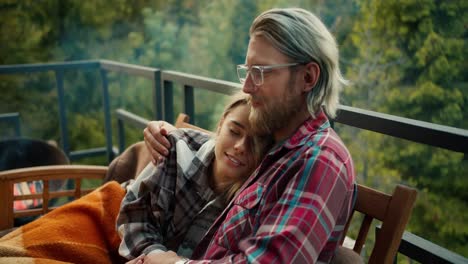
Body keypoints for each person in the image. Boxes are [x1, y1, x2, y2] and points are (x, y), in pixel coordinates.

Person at [143, 7, 356, 264]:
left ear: (307, 77)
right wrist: (169, 133)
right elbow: (219, 145)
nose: (246, 86)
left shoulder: (320, 160)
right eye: (248, 70)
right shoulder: (274, 143)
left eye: (261, 72)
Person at [117, 92, 272, 264]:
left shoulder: (254, 198)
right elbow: (135, 215)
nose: (241, 147)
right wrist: (155, 255)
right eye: (234, 131)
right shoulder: (176, 148)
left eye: (256, 140)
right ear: (221, 125)